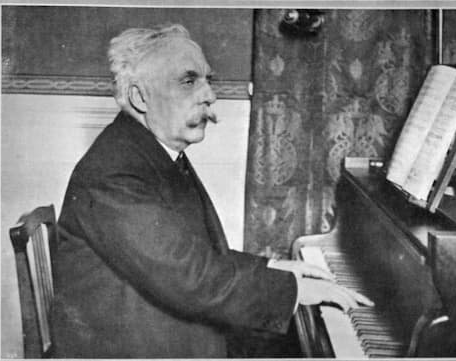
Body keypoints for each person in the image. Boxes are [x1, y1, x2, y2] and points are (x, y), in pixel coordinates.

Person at [50, 24, 372, 358]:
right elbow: (190, 278)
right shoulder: (115, 172)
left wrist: (274, 268)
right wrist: (294, 291)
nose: (210, 95)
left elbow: (191, 255)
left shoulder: (150, 152)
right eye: (189, 81)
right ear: (139, 97)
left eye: (208, 80)